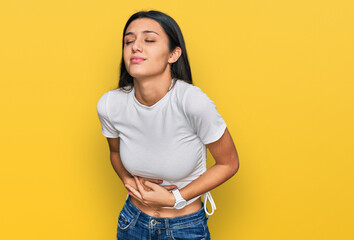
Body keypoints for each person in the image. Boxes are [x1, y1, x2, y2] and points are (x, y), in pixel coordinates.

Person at [96, 10, 239, 240]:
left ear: (173, 54)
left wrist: (176, 198)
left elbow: (229, 163)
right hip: (132, 223)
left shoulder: (192, 102)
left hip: (185, 227)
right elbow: (114, 152)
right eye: (129, 41)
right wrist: (126, 179)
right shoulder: (110, 105)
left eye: (149, 40)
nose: (135, 46)